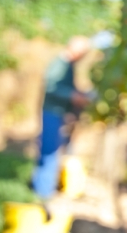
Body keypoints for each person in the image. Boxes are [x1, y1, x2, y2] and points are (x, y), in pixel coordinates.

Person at [32, 36, 91, 200]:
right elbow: (52, 86)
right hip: (52, 112)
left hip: (58, 112)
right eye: (83, 52)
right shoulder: (60, 64)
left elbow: (66, 87)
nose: (84, 56)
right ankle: (43, 193)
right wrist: (73, 96)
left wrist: (79, 94)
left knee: (53, 150)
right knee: (50, 151)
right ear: (76, 50)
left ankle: (44, 189)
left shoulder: (68, 65)